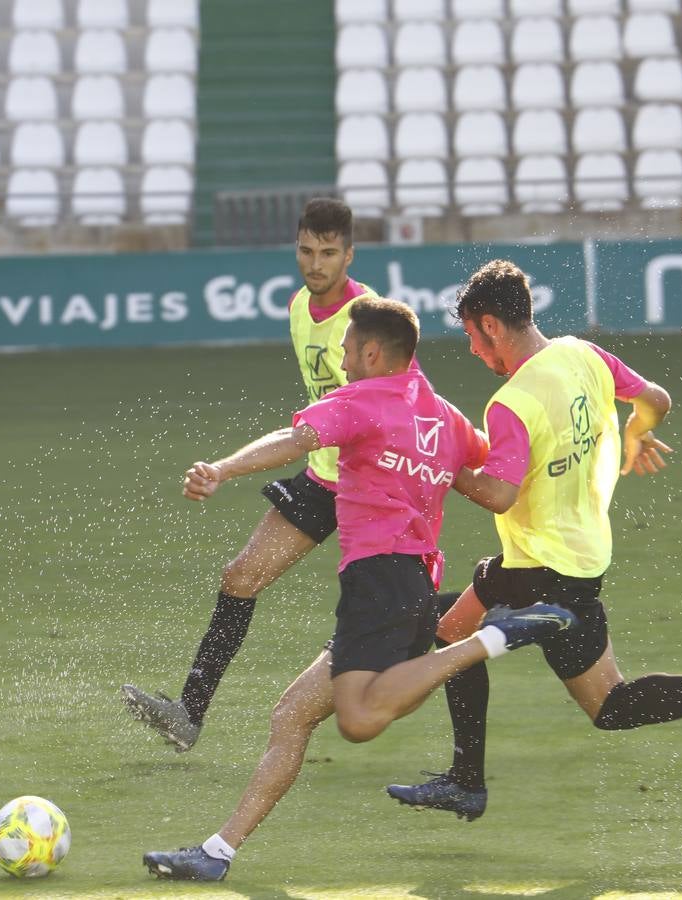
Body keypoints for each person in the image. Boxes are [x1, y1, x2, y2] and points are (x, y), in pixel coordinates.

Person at [142, 299, 579, 882]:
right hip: (414, 591)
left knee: (357, 720)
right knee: (292, 716)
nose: (342, 360)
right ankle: (216, 854)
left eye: (348, 349)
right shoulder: (444, 416)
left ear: (373, 352)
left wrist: (222, 468)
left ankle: (493, 639)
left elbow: (295, 439)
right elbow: (495, 473)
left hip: (378, 585)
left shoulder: (360, 401)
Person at [384, 259, 682, 823]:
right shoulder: (583, 354)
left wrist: (439, 465)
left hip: (534, 567)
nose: (473, 350)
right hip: (581, 564)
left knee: (451, 631)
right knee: (610, 705)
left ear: (491, 325)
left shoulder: (512, 402)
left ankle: (467, 782)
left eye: (471, 336)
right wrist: (636, 435)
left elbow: (498, 494)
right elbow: (657, 399)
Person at [121, 198, 459, 752]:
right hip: (326, 477)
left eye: (329, 253)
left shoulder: (370, 317)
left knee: (397, 611)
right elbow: (318, 415)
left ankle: (454, 630)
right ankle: (188, 714)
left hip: (376, 487)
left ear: (350, 254)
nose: (316, 263)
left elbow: (412, 394)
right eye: (307, 250)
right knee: (240, 578)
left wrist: (225, 467)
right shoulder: (300, 306)